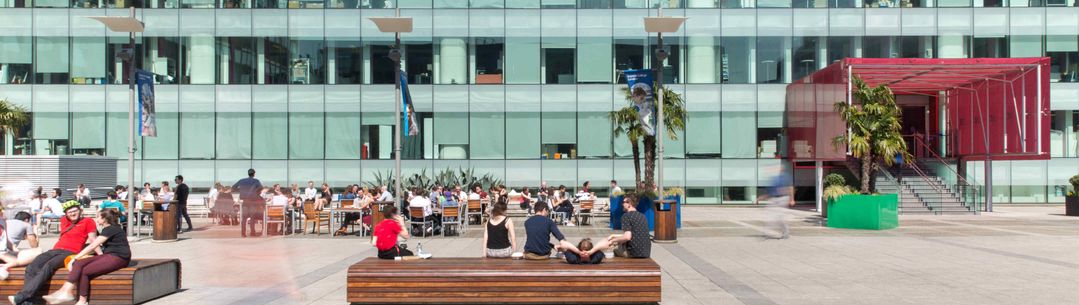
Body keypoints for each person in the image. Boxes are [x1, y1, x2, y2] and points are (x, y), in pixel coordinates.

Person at [9, 201, 97, 305]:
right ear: (66, 214)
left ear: (80, 210)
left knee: (49, 266)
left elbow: (93, 239)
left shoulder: (88, 221)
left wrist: (100, 255)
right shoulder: (64, 220)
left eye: (75, 211)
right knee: (32, 266)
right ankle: (30, 300)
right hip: (55, 249)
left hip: (71, 252)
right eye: (70, 212)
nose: (73, 214)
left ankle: (23, 296)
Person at [42, 209, 130, 305]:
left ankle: (80, 300)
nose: (96, 219)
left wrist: (76, 257)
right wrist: (78, 259)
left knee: (84, 271)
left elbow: (93, 245)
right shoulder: (108, 229)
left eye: (98, 217)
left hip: (120, 257)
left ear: (104, 219)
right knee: (79, 263)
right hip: (109, 255)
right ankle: (65, 291)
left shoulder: (111, 229)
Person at [0, 211, 40, 280]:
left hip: (5, 252)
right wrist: (36, 232)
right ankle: (8, 265)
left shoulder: (5, 221)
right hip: (3, 255)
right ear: (27, 220)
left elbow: (6, 242)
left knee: (37, 252)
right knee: (38, 251)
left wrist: (17, 252)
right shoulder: (26, 224)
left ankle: (9, 264)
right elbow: (34, 245)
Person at [232, 169, 265, 238]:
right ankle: (252, 232)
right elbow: (261, 188)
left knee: (244, 218)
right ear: (254, 174)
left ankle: (243, 233)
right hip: (253, 201)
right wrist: (255, 192)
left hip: (245, 201)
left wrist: (241, 190)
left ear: (248, 173)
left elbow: (233, 187)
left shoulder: (242, 180)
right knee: (252, 217)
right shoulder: (256, 181)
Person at [763, 166, 793, 240]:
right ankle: (768, 231)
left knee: (780, 217)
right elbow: (771, 190)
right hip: (774, 199)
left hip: (783, 198)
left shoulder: (786, 177)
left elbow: (790, 188)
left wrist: (792, 199)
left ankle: (785, 234)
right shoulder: (774, 178)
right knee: (770, 214)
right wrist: (765, 197)